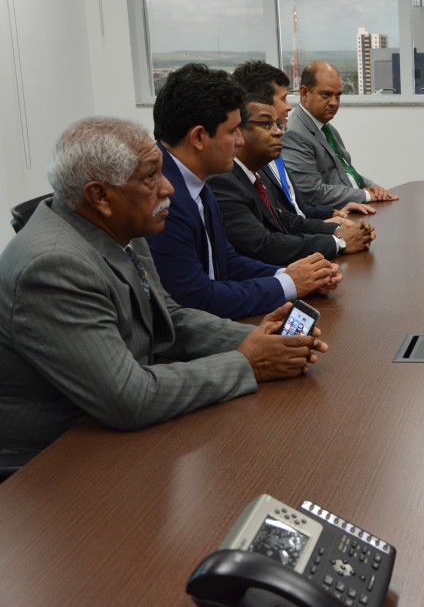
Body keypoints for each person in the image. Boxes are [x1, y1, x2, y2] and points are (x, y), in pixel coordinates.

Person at [0, 117, 328, 458]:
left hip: (107, 429)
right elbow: (130, 397)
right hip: (53, 461)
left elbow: (168, 316)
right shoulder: (52, 267)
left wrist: (255, 340)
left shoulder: (122, 227)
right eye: (150, 176)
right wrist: (248, 362)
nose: (168, 188)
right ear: (99, 195)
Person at [146, 63, 340, 319]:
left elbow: (226, 261)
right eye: (232, 131)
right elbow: (196, 300)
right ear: (199, 137)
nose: (239, 141)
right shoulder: (162, 197)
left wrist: (289, 275)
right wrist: (290, 284)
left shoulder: (196, 180)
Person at [207, 94, 376, 266]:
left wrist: (338, 229)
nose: (279, 131)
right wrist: (338, 242)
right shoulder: (223, 180)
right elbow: (263, 246)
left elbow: (286, 220)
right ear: (238, 131)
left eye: (277, 125)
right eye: (266, 124)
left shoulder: (258, 174)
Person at [282, 60, 398, 208]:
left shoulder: (327, 128)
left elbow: (345, 173)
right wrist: (368, 195)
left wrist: (375, 187)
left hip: (353, 208)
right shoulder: (294, 134)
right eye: (326, 95)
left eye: (338, 95)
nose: (334, 103)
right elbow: (312, 193)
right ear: (304, 93)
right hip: (335, 218)